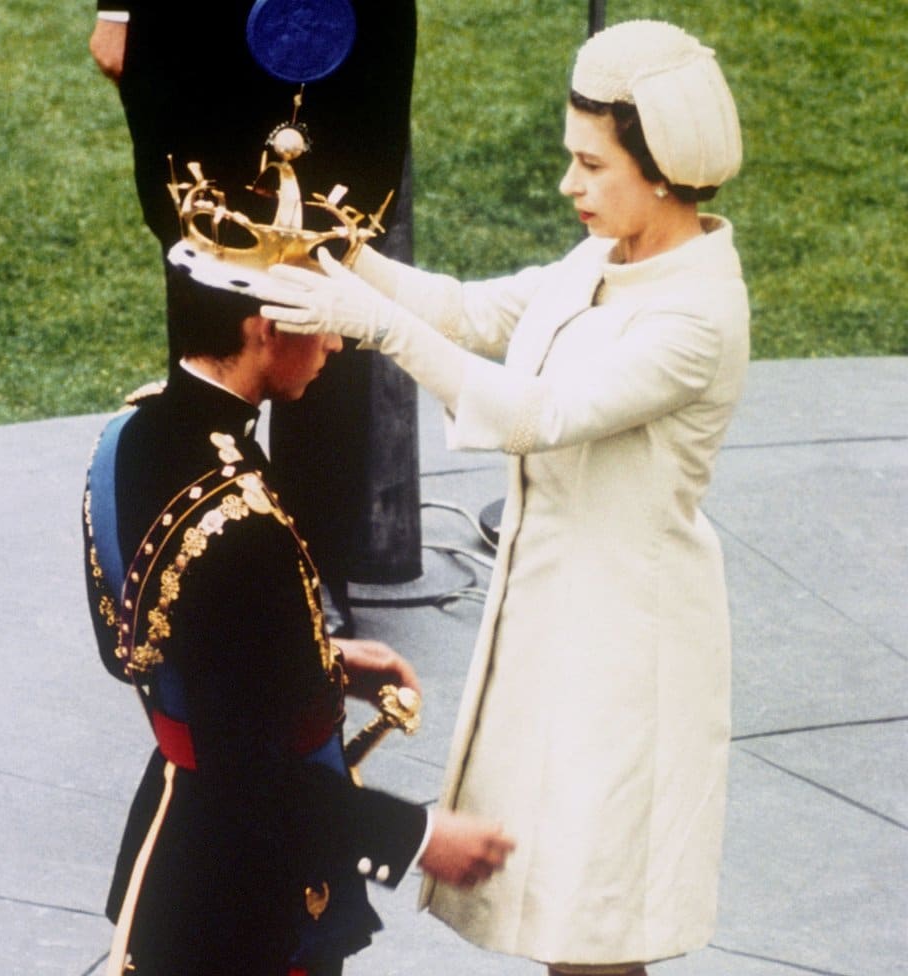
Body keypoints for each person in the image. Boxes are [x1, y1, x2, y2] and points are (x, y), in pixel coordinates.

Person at [256, 19, 750, 975]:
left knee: (596, 920)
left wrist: (372, 323)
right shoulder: (603, 258)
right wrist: (341, 252)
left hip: (630, 646)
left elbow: (538, 414)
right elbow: (470, 310)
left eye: (591, 165)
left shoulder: (698, 315)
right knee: (561, 912)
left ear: (661, 172)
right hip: (555, 619)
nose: (569, 185)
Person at [82, 265, 514, 976]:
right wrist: (418, 836)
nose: (337, 344)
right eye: (324, 322)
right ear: (266, 329)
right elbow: (253, 781)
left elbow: (157, 649)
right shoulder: (243, 524)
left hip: (174, 846)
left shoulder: (129, 434)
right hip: (246, 897)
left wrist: (320, 661)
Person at [89, 0, 419, 636]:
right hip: (199, 27)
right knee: (206, 263)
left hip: (351, 24)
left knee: (331, 260)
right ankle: (192, 550)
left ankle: (314, 567)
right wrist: (118, 8)